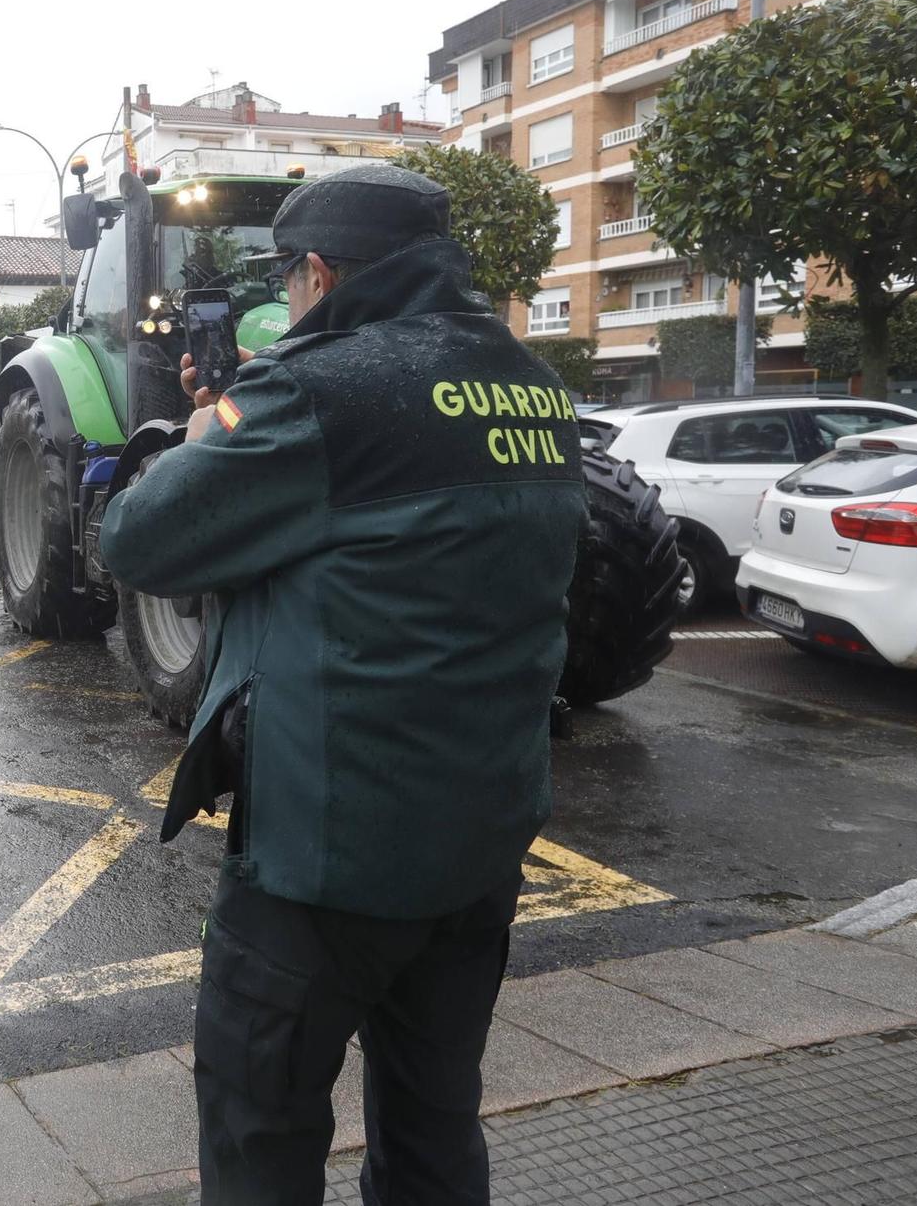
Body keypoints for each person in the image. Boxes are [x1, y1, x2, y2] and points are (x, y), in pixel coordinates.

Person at [99, 163, 586, 1205]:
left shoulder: (315, 387)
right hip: (477, 843)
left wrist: (194, 440)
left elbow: (140, 542)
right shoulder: (533, 388)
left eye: (290, 279)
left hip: (322, 863)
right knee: (432, 1125)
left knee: (256, 1129)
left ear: (316, 271)